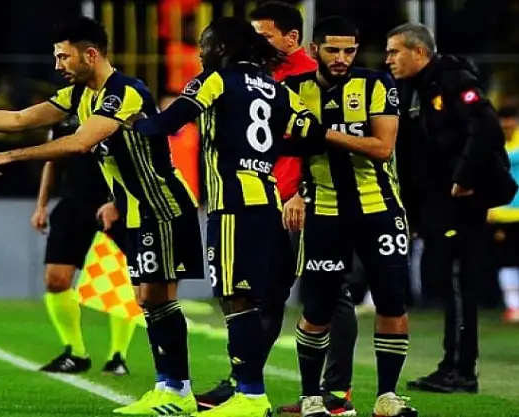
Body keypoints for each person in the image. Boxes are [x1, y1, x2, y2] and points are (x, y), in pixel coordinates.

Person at [0, 16, 204, 416]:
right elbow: (19, 119)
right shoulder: (79, 94)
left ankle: (179, 391)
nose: (58, 65)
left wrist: (11, 156)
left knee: (156, 297)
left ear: (90, 55)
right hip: (135, 209)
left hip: (162, 205)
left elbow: (79, 144)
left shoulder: (124, 92)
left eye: (64, 57)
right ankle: (168, 388)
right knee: (149, 299)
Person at [128, 16, 325, 417]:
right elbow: (312, 131)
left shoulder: (216, 79)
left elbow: (168, 122)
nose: (201, 53)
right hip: (268, 201)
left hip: (233, 205)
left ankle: (250, 396)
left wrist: (130, 123)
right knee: (251, 299)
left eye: (205, 45)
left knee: (237, 299)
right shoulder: (274, 87)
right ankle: (247, 393)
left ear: (221, 47)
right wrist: (269, 153)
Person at [284, 17, 417, 417]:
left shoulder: (376, 84)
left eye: (349, 50)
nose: (342, 58)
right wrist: (293, 192)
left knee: (392, 303)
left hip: (380, 210)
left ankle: (386, 396)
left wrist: (321, 133)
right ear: (314, 49)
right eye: (333, 50)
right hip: (324, 212)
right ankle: (312, 397)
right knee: (317, 308)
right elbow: (282, 147)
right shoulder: (293, 90)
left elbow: (382, 148)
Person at [386, 22, 516, 394]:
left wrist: (464, 177)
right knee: (445, 279)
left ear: (419, 52)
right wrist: (411, 210)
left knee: (458, 280)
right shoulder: (411, 90)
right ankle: (452, 365)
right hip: (435, 203)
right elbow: (412, 156)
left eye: (395, 51)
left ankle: (461, 369)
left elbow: (486, 126)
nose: (389, 59)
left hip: (460, 201)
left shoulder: (454, 80)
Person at [31, 116, 135, 375]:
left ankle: (118, 355)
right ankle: (76, 352)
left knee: (118, 282)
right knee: (56, 279)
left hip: (114, 204)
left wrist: (123, 201)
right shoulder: (62, 115)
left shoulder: (120, 107)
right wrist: (41, 205)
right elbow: (52, 161)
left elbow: (137, 159)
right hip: (73, 203)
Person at [489, 106, 519, 324]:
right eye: (503, 120)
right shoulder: (494, 143)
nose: (507, 124)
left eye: (510, 119)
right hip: (502, 214)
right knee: (506, 262)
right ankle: (513, 306)